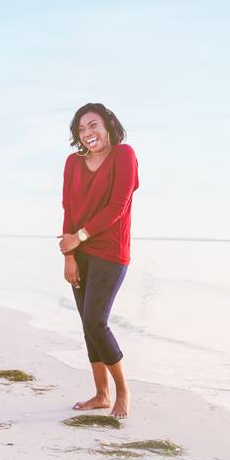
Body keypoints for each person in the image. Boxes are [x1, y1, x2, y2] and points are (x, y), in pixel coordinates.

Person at [59, 103, 139, 419]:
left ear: (107, 125)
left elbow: (118, 206)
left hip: (110, 251)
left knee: (96, 321)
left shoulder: (124, 154)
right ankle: (100, 394)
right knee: (87, 325)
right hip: (79, 251)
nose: (88, 133)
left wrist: (79, 237)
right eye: (81, 129)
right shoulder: (72, 162)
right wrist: (69, 255)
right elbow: (68, 208)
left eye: (93, 125)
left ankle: (123, 391)